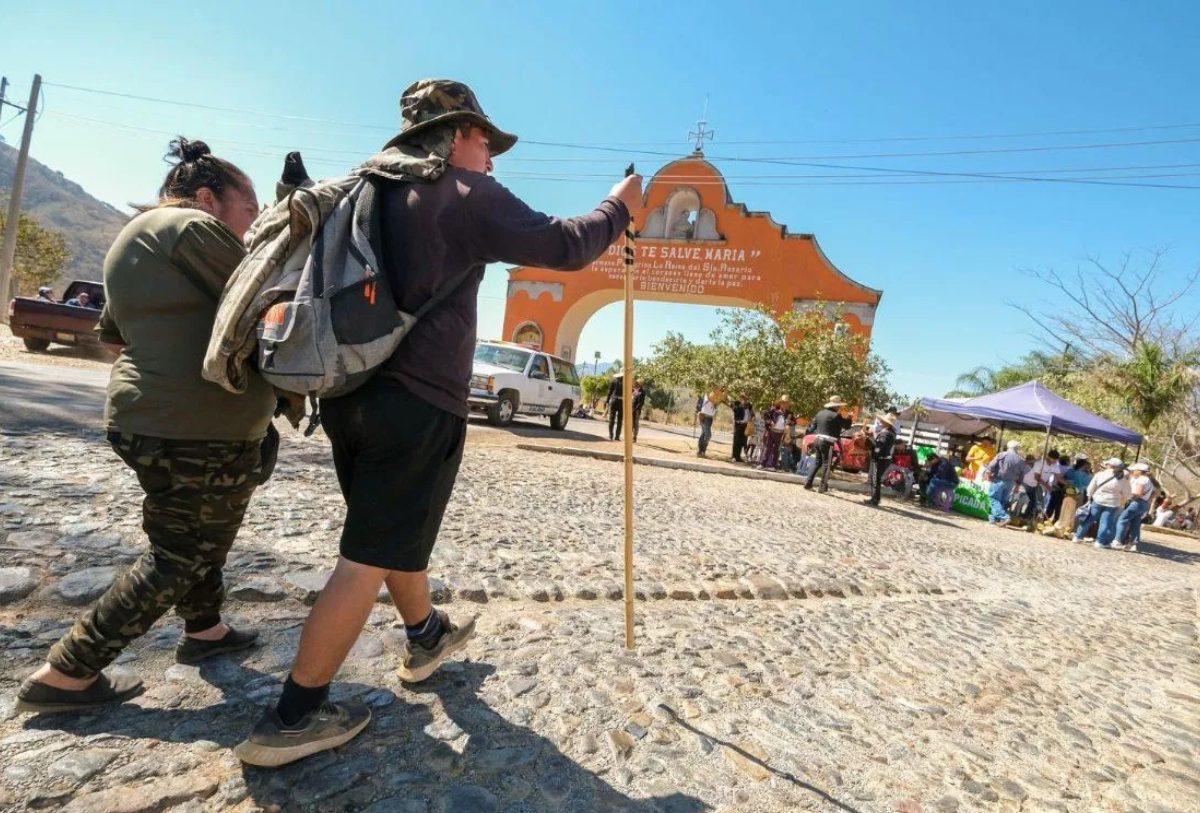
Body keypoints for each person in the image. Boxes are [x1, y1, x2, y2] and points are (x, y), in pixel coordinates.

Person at [236, 79, 642, 767]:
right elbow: (567, 245)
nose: (492, 156)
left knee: (388, 530)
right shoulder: (460, 191)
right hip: (416, 401)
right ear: (456, 135)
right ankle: (294, 715)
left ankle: (425, 634)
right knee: (364, 558)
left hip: (349, 392)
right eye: (487, 140)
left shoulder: (367, 187)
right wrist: (620, 206)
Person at [17, 138, 275, 715]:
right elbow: (269, 301)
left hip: (152, 417)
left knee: (195, 532)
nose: (254, 219)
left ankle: (204, 629)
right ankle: (67, 672)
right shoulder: (193, 228)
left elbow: (110, 334)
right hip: (198, 425)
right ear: (208, 198)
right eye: (249, 206)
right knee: (181, 550)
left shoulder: (136, 238)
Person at [1075, 458, 1132, 548]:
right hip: (1113, 502)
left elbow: (1091, 487)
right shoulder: (1123, 478)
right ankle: (1100, 542)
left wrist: (1089, 497)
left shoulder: (1100, 474)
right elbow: (1127, 493)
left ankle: (1078, 537)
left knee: (1089, 519)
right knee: (1105, 522)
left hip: (1098, 499)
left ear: (1109, 465)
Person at [804, 396, 851, 492]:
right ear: (836, 406)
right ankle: (822, 487)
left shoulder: (820, 413)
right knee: (826, 465)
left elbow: (813, 427)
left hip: (817, 440)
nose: (839, 408)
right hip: (827, 442)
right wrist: (849, 418)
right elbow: (846, 426)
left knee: (817, 463)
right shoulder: (836, 416)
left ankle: (808, 483)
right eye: (839, 406)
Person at [1114, 462, 1155, 552]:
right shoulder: (1149, 480)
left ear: (1139, 471)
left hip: (1136, 502)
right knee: (1135, 524)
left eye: (1134, 470)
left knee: (1122, 519)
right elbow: (1154, 493)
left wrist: (1126, 494)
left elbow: (1138, 493)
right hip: (1143, 503)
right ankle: (1133, 543)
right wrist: (1147, 499)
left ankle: (1117, 541)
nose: (1133, 471)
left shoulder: (1142, 479)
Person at [985, 440, 1027, 526]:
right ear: (1016, 448)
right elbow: (1022, 475)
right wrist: (1017, 486)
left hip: (999, 480)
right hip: (1011, 483)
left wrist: (988, 474)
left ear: (1008, 447)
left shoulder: (1003, 454)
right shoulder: (1021, 459)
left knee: (994, 498)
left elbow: (991, 466)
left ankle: (1004, 517)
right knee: (1002, 501)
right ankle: (994, 519)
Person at [864, 412, 897, 505]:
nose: (880, 422)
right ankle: (875, 498)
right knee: (875, 478)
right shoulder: (891, 432)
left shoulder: (885, 434)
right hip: (884, 458)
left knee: (875, 479)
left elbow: (878, 447)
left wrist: (870, 438)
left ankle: (875, 499)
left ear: (886, 423)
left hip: (880, 459)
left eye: (882, 421)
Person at [760, 395, 790, 470]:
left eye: (786, 403)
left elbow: (793, 422)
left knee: (777, 450)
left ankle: (773, 466)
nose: (784, 405)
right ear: (780, 403)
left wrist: (789, 423)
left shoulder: (788, 414)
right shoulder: (774, 411)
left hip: (780, 433)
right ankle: (763, 464)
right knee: (768, 448)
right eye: (783, 403)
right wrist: (770, 422)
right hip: (772, 431)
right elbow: (765, 415)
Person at [696, 389, 723, 457]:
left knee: (704, 434)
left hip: (709, 417)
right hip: (705, 417)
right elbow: (713, 400)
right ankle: (702, 451)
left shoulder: (714, 396)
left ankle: (701, 451)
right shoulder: (709, 395)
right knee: (708, 435)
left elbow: (715, 404)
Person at [731, 394, 750, 462]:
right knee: (736, 441)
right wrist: (740, 405)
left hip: (745, 425)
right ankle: (733, 456)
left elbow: (750, 414)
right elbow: (734, 409)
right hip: (739, 424)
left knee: (742, 442)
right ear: (741, 398)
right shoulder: (737, 405)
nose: (745, 400)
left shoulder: (748, 406)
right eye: (743, 399)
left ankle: (738, 457)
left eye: (746, 399)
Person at [606, 370, 625, 441]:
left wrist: (607, 401)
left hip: (614, 401)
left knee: (612, 419)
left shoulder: (614, 381)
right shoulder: (626, 383)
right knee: (619, 420)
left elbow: (610, 392)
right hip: (622, 402)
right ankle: (617, 436)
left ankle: (611, 435)